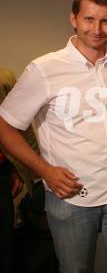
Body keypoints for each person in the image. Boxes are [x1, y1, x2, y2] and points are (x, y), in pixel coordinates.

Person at [0, 0, 107, 273]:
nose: (97, 29)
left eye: (105, 20)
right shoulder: (43, 69)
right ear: (73, 19)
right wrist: (44, 171)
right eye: (89, 19)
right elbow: (4, 125)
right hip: (71, 197)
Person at [0, 68, 39, 273]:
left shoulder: (3, 78)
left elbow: (19, 128)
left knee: (4, 248)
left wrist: (27, 171)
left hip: (2, 178)